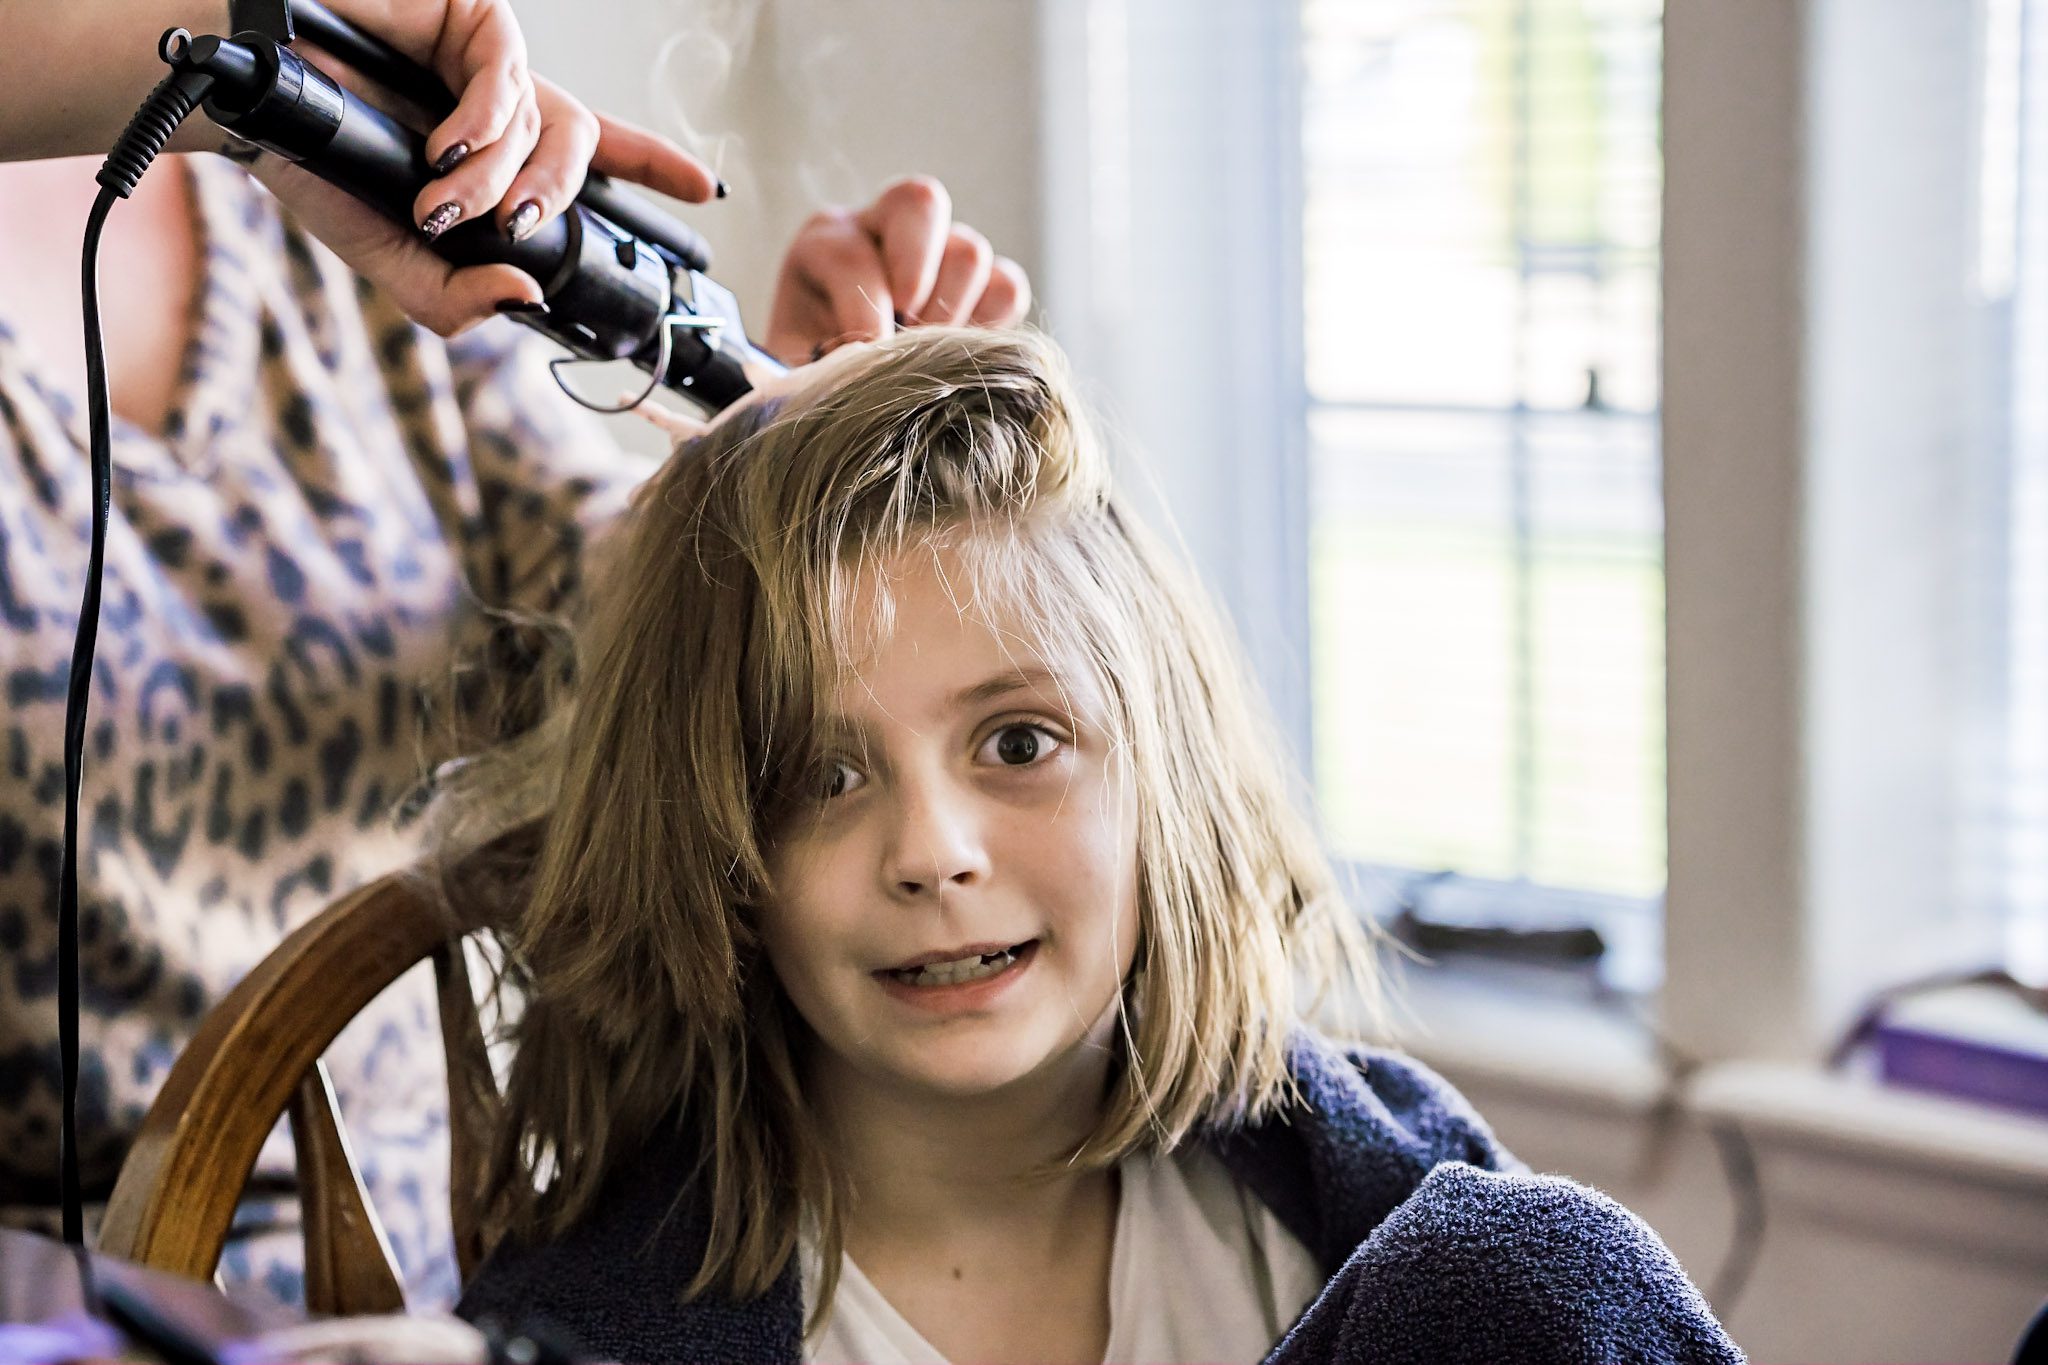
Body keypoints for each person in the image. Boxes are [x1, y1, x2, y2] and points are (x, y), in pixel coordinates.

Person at [444, 327, 1744, 1364]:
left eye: (1017, 743)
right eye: (821, 776)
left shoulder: (1421, 1243)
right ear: (721, 858)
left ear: (1159, 772)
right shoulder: (587, 1326)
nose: (934, 852)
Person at [0, 0, 1027, 1310]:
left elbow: (600, 618)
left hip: (451, 1276)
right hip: (70, 1315)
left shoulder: (323, 186)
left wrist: (786, 444)